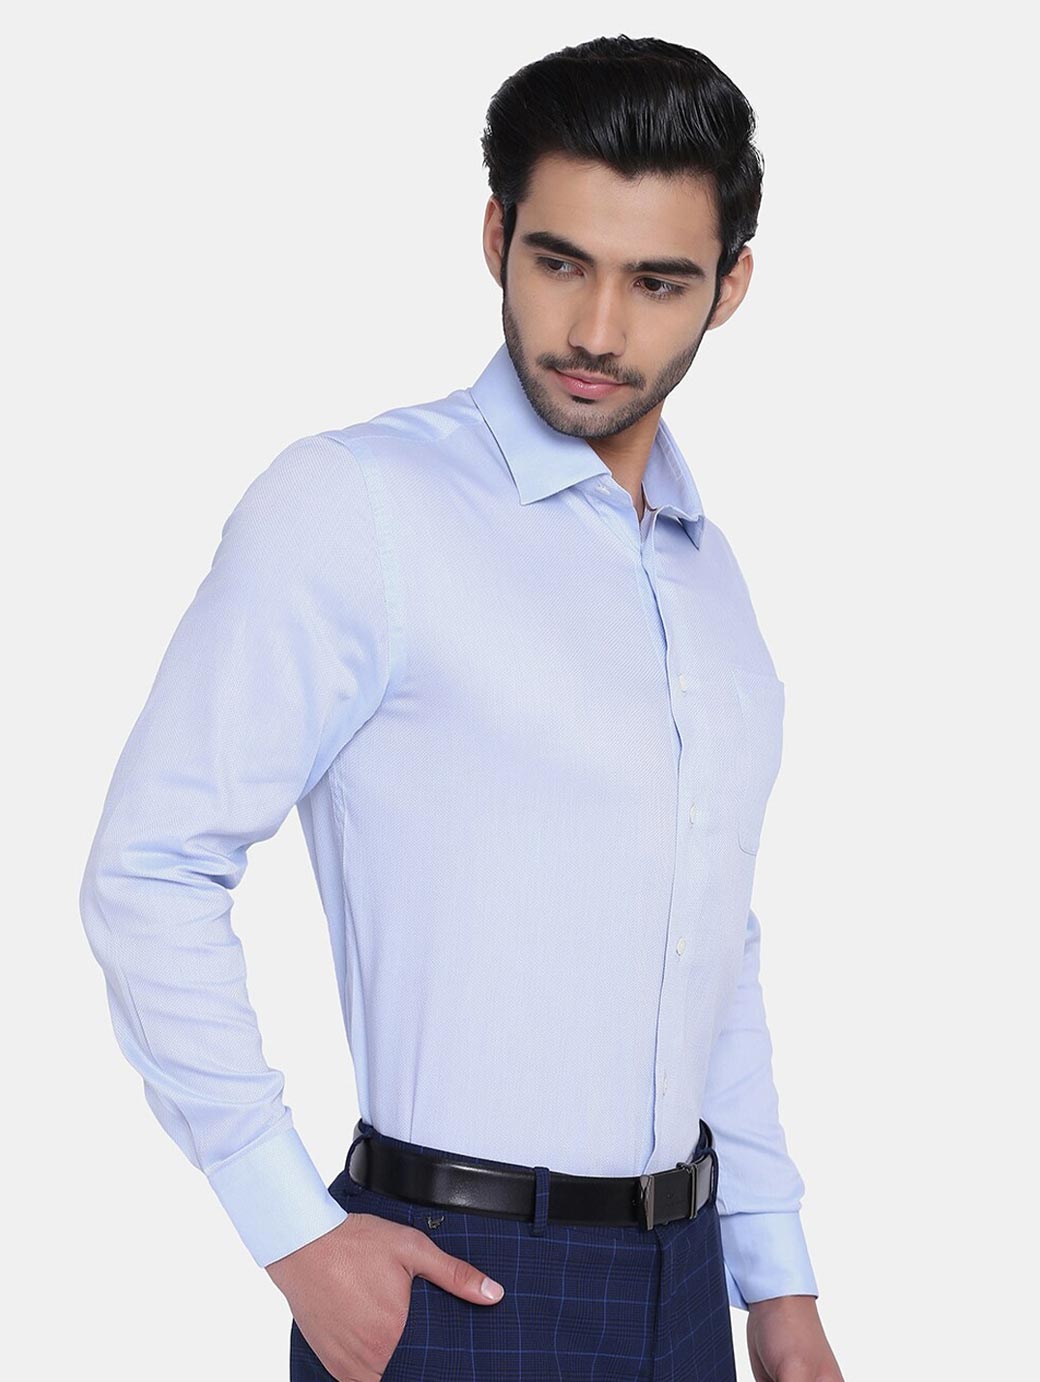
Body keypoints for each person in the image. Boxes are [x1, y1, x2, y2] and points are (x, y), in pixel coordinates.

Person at [79, 33, 845, 1382]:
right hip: (456, 1282)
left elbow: (710, 944)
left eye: (657, 281)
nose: (596, 330)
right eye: (560, 262)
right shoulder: (358, 506)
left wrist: (775, 1279)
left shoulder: (708, 572)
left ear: (730, 286)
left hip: (689, 1285)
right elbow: (150, 868)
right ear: (496, 236)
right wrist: (293, 1233)